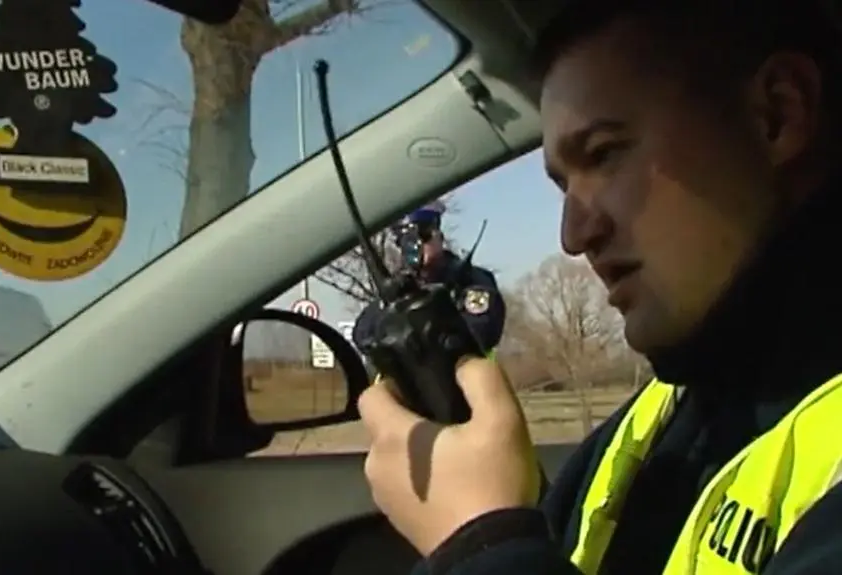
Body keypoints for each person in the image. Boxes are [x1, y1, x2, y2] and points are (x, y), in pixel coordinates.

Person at [358, 0, 842, 573]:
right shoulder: (673, 406)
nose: (574, 234)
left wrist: (479, 540)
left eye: (604, 154)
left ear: (777, 114)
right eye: (563, 186)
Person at [350, 200, 506, 360]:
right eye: (404, 239)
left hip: (462, 371)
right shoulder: (400, 290)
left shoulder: (470, 279)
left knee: (475, 370)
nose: (415, 245)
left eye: (423, 235)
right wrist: (388, 306)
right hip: (416, 374)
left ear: (440, 236)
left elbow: (481, 332)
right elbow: (362, 335)